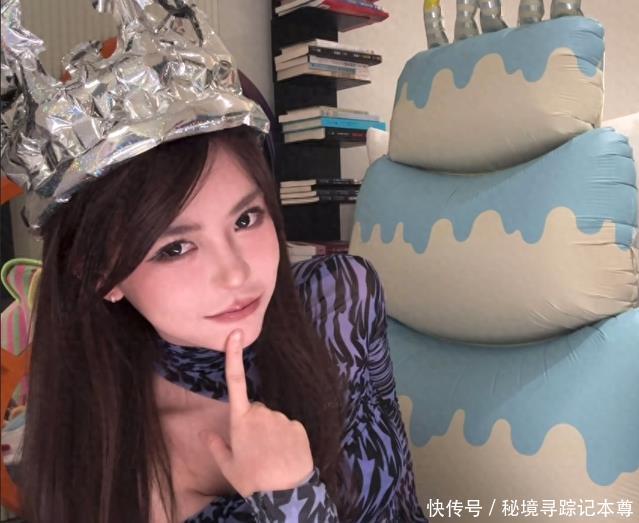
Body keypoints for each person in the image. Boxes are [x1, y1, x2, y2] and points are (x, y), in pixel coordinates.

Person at [1, 1, 427, 522]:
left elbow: (403, 503)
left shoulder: (341, 301)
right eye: (175, 248)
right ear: (102, 274)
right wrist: (291, 500)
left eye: (246, 219)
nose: (237, 273)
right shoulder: (116, 473)